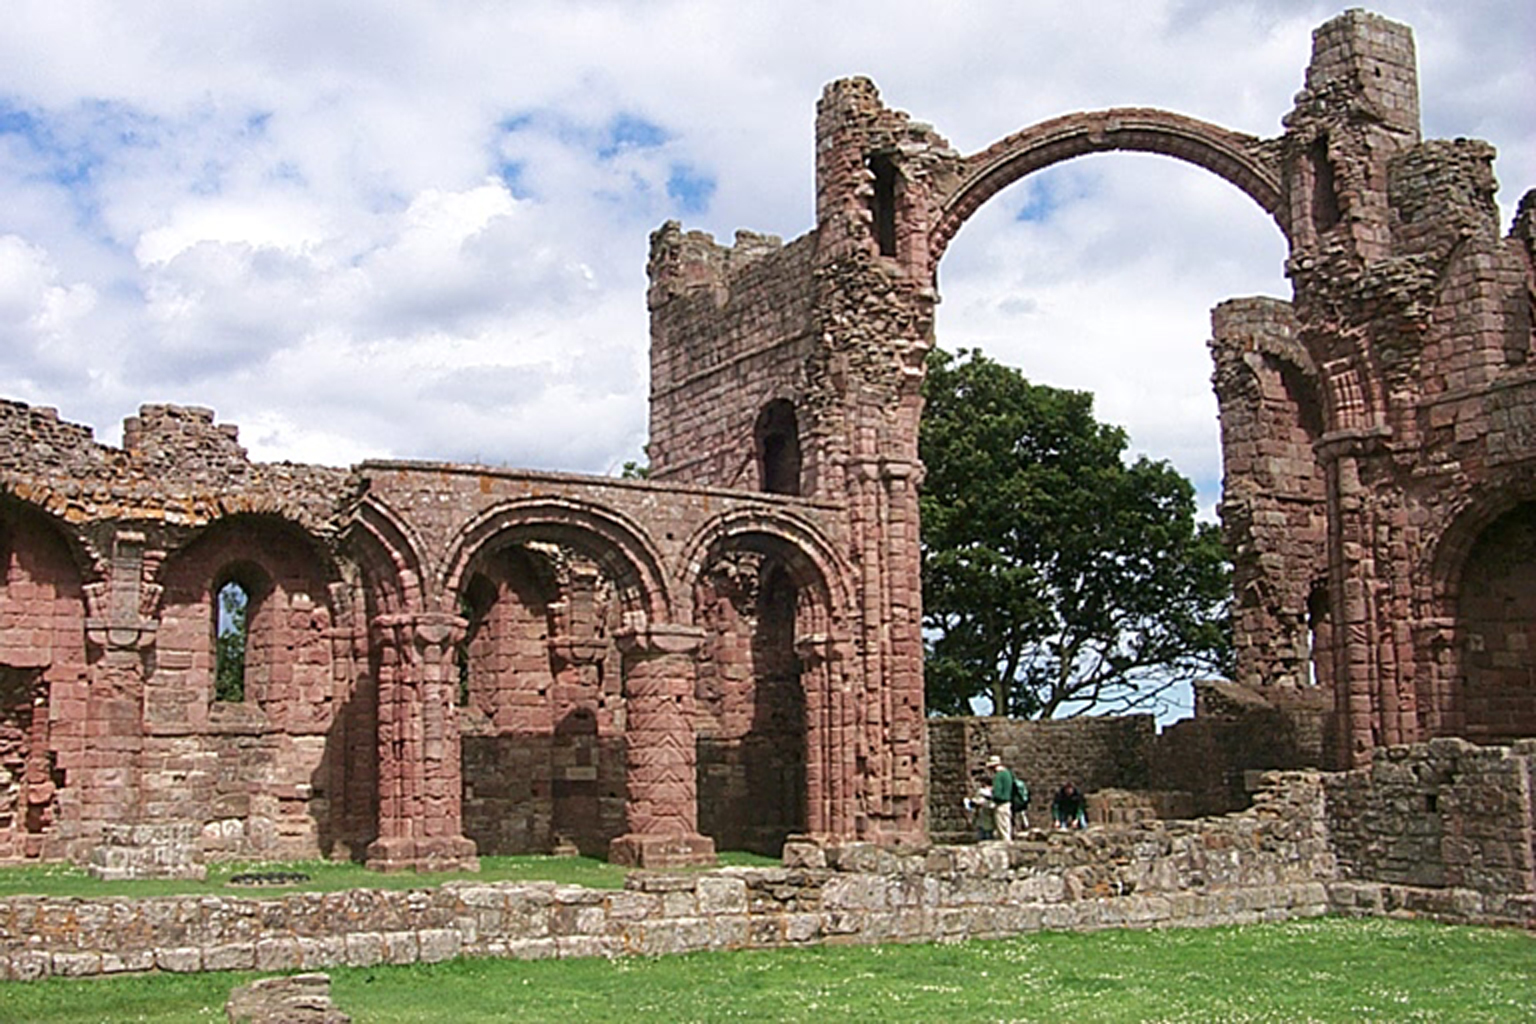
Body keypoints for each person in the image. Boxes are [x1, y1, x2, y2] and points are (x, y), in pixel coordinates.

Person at [986, 754, 1018, 842]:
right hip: (1008, 804)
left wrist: (990, 794)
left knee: (1002, 830)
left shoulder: (999, 776)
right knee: (1007, 827)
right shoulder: (1008, 773)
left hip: (1001, 804)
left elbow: (997, 793)